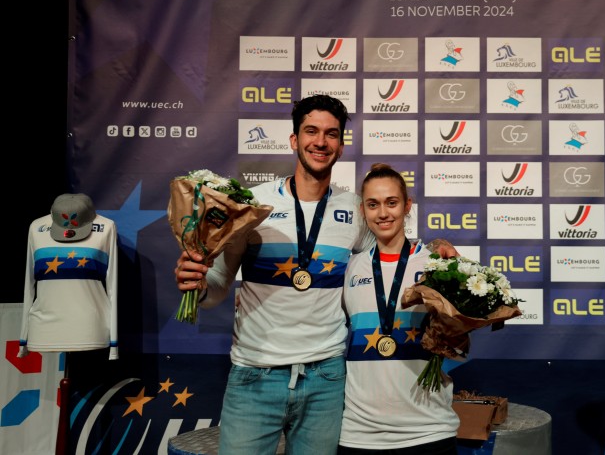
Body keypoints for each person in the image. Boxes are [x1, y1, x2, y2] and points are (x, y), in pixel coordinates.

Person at [174, 95, 455, 454]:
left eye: (331, 134)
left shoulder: (354, 210)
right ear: (294, 140)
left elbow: (392, 253)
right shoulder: (252, 206)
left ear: (339, 146)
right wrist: (196, 284)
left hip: (326, 378)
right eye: (311, 131)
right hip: (256, 374)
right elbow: (217, 286)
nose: (320, 142)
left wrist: (438, 251)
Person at [338, 163, 460, 454]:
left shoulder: (436, 265)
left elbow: (460, 342)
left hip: (428, 430)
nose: (383, 213)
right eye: (373, 204)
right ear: (362, 210)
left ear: (407, 205)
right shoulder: (349, 268)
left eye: (391, 203)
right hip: (358, 433)